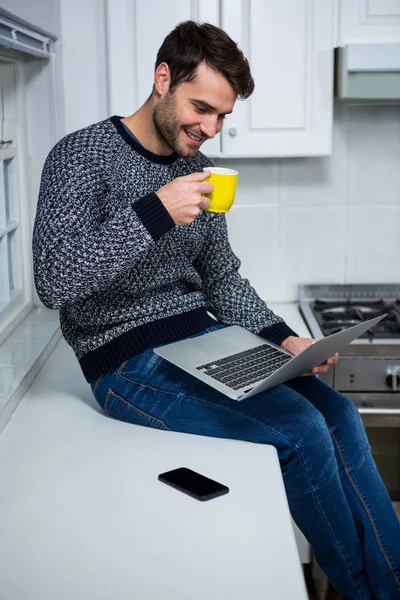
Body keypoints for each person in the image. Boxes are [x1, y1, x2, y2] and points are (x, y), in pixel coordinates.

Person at [33, 20, 400, 600]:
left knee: (341, 417)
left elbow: (221, 277)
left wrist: (285, 340)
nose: (210, 128)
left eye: (223, 116)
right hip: (125, 361)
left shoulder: (196, 169)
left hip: (207, 339)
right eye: (201, 107)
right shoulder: (80, 155)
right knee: (302, 431)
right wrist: (155, 212)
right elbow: (53, 281)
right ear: (162, 79)